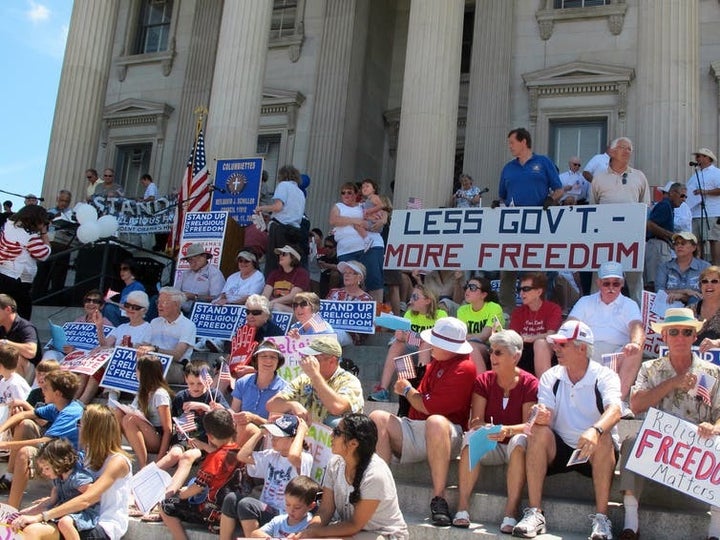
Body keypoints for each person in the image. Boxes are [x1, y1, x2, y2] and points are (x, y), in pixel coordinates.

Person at [512, 320, 621, 540]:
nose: (556, 348)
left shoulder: (605, 375)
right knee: (539, 433)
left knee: (605, 437)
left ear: (582, 348)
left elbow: (616, 409)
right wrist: (541, 416)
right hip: (560, 447)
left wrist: (595, 430)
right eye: (556, 343)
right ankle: (535, 513)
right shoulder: (550, 376)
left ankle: (602, 519)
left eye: (563, 344)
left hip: (595, 449)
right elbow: (546, 414)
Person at [619, 308, 720, 540]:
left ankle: (716, 529)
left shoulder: (713, 372)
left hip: (696, 449)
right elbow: (635, 406)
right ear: (664, 337)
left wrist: (714, 428)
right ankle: (631, 523)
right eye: (673, 332)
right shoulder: (649, 368)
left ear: (695, 336)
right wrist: (673, 382)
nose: (680, 338)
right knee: (632, 442)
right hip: (660, 448)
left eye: (687, 332)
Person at [370, 317, 476, 527]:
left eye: (437, 342)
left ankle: (439, 498)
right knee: (377, 417)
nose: (431, 345)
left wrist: (407, 390)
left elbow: (429, 406)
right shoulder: (436, 362)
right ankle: (381, 492)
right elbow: (420, 403)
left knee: (436, 421)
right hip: (419, 427)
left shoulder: (465, 367)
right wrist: (409, 390)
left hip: (448, 432)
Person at [7, 404, 133, 540]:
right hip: (78, 517)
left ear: (93, 429)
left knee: (33, 531)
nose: (77, 427)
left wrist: (42, 516)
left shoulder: (118, 462)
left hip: (102, 525)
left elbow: (87, 498)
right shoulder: (88, 456)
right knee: (24, 528)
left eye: (80, 423)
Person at [453, 330, 538, 531]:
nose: (492, 357)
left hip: (515, 444)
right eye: (491, 352)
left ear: (515, 356)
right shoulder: (483, 380)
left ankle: (510, 512)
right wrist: (485, 428)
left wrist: (506, 431)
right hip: (490, 441)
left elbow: (528, 425)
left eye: (498, 353)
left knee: (519, 441)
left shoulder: (530, 383)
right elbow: (475, 420)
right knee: (471, 437)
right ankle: (462, 507)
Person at [298, 413, 409, 539]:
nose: (331, 435)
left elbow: (354, 525)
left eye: (337, 432)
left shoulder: (375, 474)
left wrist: (317, 533)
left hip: (384, 534)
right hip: (352, 531)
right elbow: (325, 510)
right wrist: (308, 532)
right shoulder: (334, 464)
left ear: (353, 444)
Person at [496, 127, 563, 312]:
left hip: (538, 226)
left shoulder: (543, 162)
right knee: (508, 269)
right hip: (512, 226)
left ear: (524, 141)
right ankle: (507, 312)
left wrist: (551, 200)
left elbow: (559, 189)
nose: (510, 146)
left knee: (535, 272)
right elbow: (502, 195)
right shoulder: (508, 168)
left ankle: (537, 311)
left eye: (512, 142)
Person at [0, 370, 83, 509]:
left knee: (25, 453)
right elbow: (23, 415)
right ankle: (10, 476)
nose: (41, 390)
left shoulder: (71, 412)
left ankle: (11, 509)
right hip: (56, 453)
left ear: (57, 394)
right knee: (24, 425)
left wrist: (5, 444)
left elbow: (45, 441)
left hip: (71, 464)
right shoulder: (57, 406)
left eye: (46, 388)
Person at [568, 261, 644, 410]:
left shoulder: (629, 304)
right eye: (606, 283)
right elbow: (570, 324)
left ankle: (616, 402)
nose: (611, 288)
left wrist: (635, 343)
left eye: (615, 284)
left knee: (636, 350)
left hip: (618, 353)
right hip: (588, 350)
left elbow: (637, 327)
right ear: (598, 283)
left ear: (622, 284)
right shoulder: (585, 301)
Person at [221, 414, 312, 538]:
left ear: (292, 439)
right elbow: (242, 456)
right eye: (273, 435)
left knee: (247, 505)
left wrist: (301, 432)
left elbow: (293, 456)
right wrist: (260, 432)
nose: (273, 439)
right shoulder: (271, 455)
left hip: (284, 514)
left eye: (278, 436)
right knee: (231, 498)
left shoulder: (305, 458)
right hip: (265, 508)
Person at [159, 409, 242, 539]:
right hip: (232, 511)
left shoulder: (214, 458)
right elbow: (223, 452)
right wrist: (204, 446)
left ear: (210, 436)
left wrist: (181, 494)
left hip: (212, 512)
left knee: (165, 507)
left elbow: (199, 486)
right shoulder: (240, 452)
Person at [155, 360, 228, 501]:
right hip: (184, 438)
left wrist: (206, 407)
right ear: (185, 380)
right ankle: (140, 481)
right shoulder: (181, 397)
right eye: (191, 383)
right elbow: (175, 421)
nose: (195, 387)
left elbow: (227, 417)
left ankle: (167, 496)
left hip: (204, 442)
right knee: (174, 454)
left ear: (209, 381)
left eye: (200, 383)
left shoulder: (214, 395)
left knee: (187, 457)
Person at [590, 136, 650, 305]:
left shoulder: (639, 177)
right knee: (601, 277)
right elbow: (592, 208)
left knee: (635, 281)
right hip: (604, 239)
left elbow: (645, 208)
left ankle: (637, 318)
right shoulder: (599, 178)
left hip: (632, 238)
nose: (627, 151)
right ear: (612, 151)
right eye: (623, 147)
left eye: (629, 149)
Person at [369, 285, 447, 403]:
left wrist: (412, 338)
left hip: (435, 355)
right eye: (411, 296)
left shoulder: (441, 315)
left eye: (415, 297)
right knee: (398, 344)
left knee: (425, 344)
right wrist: (401, 336)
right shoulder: (409, 314)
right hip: (415, 353)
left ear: (428, 300)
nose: (411, 300)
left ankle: (422, 388)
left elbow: (436, 340)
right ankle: (384, 389)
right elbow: (406, 338)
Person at [266, 335, 363, 427]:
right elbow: (271, 405)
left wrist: (315, 376)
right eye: (307, 356)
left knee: (334, 422)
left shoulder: (349, 381)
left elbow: (336, 407)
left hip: (333, 439)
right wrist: (291, 405)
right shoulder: (304, 379)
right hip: (307, 437)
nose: (309, 361)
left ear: (332, 361)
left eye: (315, 358)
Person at [14, 438, 99, 540]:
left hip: (84, 514)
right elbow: (51, 501)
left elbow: (93, 496)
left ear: (59, 463)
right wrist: (23, 513)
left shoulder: (77, 478)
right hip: (65, 511)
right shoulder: (58, 478)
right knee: (31, 513)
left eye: (47, 468)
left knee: (65, 523)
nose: (44, 472)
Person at [113, 355, 173, 468]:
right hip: (144, 432)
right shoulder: (142, 390)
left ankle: (143, 465)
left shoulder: (160, 394)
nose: (136, 372)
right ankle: (114, 450)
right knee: (118, 413)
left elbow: (168, 429)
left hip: (157, 438)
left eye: (137, 370)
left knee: (130, 419)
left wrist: (160, 458)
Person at [230, 341, 288, 444]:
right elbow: (234, 413)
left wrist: (254, 418)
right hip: (241, 433)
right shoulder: (242, 382)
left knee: (249, 428)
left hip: (270, 439)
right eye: (263, 356)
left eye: (273, 357)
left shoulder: (285, 389)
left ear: (278, 362)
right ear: (256, 359)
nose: (268, 360)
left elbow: (280, 427)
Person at [137, 286, 197, 384]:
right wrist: (132, 347)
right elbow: (145, 344)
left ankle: (139, 398)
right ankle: (112, 395)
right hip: (152, 362)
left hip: (176, 366)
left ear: (176, 305)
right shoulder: (154, 322)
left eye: (164, 302)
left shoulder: (188, 325)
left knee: (151, 368)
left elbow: (177, 355)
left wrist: (155, 349)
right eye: (158, 302)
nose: (159, 306)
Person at [0, 204, 51, 319]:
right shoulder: (29, 236)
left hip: (3, 273)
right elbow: (44, 254)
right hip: (17, 281)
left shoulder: (8, 226)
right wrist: (44, 233)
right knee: (22, 318)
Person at [255, 165, 307, 276]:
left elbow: (278, 207)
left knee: (274, 263)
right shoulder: (300, 192)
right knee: (289, 263)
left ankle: (271, 288)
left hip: (280, 228)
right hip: (295, 230)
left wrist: (262, 208)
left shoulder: (283, 186)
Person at [509, 272, 562, 378]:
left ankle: (545, 390)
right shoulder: (518, 312)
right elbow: (513, 336)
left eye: (526, 289)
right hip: (523, 350)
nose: (522, 293)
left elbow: (551, 334)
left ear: (539, 292)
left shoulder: (553, 309)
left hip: (546, 351)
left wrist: (531, 338)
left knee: (540, 343)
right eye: (520, 289)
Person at [645, 182, 689, 288]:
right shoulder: (665, 205)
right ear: (672, 193)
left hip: (661, 246)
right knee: (656, 282)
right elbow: (650, 225)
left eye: (686, 197)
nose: (684, 199)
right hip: (657, 246)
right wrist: (671, 235)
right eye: (682, 196)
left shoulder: (669, 207)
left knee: (661, 282)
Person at [33, 189, 75, 300]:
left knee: (59, 275)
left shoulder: (71, 214)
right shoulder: (49, 211)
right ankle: (37, 297)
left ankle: (55, 298)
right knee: (42, 273)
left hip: (63, 246)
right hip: (47, 244)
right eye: (61, 200)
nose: (63, 203)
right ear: (57, 199)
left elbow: (73, 231)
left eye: (66, 201)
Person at [456, 276, 502, 373]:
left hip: (493, 348)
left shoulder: (494, 308)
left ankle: (481, 384)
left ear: (483, 294)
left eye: (472, 288)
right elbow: (460, 336)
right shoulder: (462, 310)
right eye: (467, 287)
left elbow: (484, 336)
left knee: (471, 346)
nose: (467, 290)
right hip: (470, 346)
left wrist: (468, 337)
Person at [249, 475, 320, 538]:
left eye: (297, 507)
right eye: (287, 504)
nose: (291, 510)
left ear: (311, 506)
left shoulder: (310, 527)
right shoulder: (278, 521)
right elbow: (254, 534)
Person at [326, 260, 373, 346]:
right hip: (329, 330)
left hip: (350, 336)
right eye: (345, 273)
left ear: (359, 278)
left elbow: (364, 328)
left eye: (351, 273)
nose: (346, 275)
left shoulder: (366, 299)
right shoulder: (334, 292)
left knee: (333, 335)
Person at [655, 231, 710, 305]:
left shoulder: (705, 267)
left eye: (683, 243)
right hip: (669, 306)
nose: (679, 246)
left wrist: (681, 296)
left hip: (696, 308)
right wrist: (685, 291)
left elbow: (709, 292)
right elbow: (659, 292)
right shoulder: (664, 267)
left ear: (694, 247)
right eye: (676, 243)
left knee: (694, 299)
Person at [686, 147, 720, 264]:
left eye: (699, 156)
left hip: (711, 212)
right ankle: (698, 266)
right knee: (697, 241)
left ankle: (716, 266)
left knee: (713, 239)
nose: (697, 158)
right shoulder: (695, 175)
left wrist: (705, 192)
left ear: (707, 158)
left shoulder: (716, 172)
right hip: (695, 213)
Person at [0, 294, 42, 384]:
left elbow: (31, 352)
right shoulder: (1, 327)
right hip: (5, 368)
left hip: (30, 371)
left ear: (8, 309)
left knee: (13, 356)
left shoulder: (25, 326)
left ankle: (17, 393)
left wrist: (5, 343)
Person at [176, 243, 226, 315]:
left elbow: (216, 298)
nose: (191, 263)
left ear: (204, 257)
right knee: (157, 299)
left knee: (197, 304)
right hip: (180, 309)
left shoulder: (214, 273)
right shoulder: (186, 273)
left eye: (194, 260)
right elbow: (175, 291)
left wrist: (195, 297)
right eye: (189, 261)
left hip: (201, 311)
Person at [262, 245, 310, 312]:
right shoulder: (274, 273)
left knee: (276, 307)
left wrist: (272, 302)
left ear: (293, 257)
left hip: (297, 311)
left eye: (284, 254)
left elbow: (293, 297)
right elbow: (265, 295)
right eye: (280, 254)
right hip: (273, 306)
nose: (280, 256)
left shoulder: (302, 274)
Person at [102, 259, 146, 326]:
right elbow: (122, 306)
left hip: (132, 315)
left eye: (125, 269)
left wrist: (112, 302)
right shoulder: (125, 289)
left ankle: (118, 332)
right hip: (124, 314)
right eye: (121, 269)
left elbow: (132, 306)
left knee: (109, 308)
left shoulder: (137, 286)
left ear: (132, 271)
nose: (121, 272)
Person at [694, 266, 720, 344]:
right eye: (705, 281)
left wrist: (718, 343)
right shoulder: (690, 311)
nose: (709, 285)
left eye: (714, 281)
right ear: (700, 286)